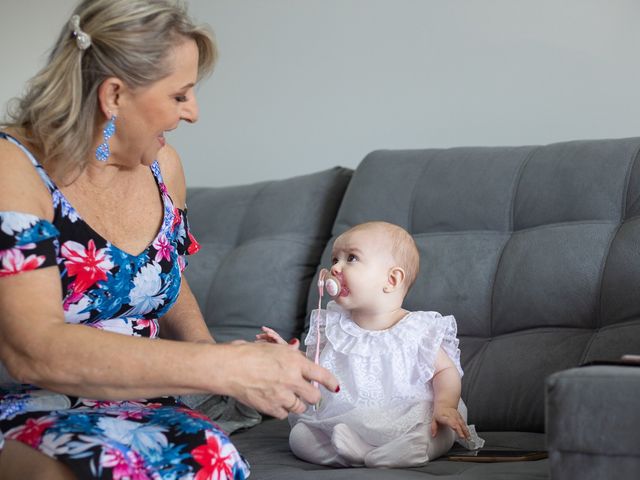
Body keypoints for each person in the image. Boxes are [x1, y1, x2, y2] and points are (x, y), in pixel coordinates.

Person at [0, 1, 338, 478]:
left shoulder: (164, 166)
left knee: (208, 457)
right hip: (30, 404)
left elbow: (166, 281)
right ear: (114, 95)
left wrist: (221, 374)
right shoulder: (12, 168)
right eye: (180, 95)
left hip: (146, 402)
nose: (194, 113)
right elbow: (33, 351)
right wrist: (224, 366)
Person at [258, 221, 484, 468]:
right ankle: (355, 452)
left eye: (351, 258)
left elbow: (445, 370)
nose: (335, 268)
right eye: (335, 259)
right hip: (346, 420)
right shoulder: (334, 326)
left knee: (440, 430)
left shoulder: (417, 329)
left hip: (408, 415)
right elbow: (316, 368)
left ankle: (410, 448)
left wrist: (445, 405)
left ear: (392, 279)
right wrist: (287, 354)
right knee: (300, 437)